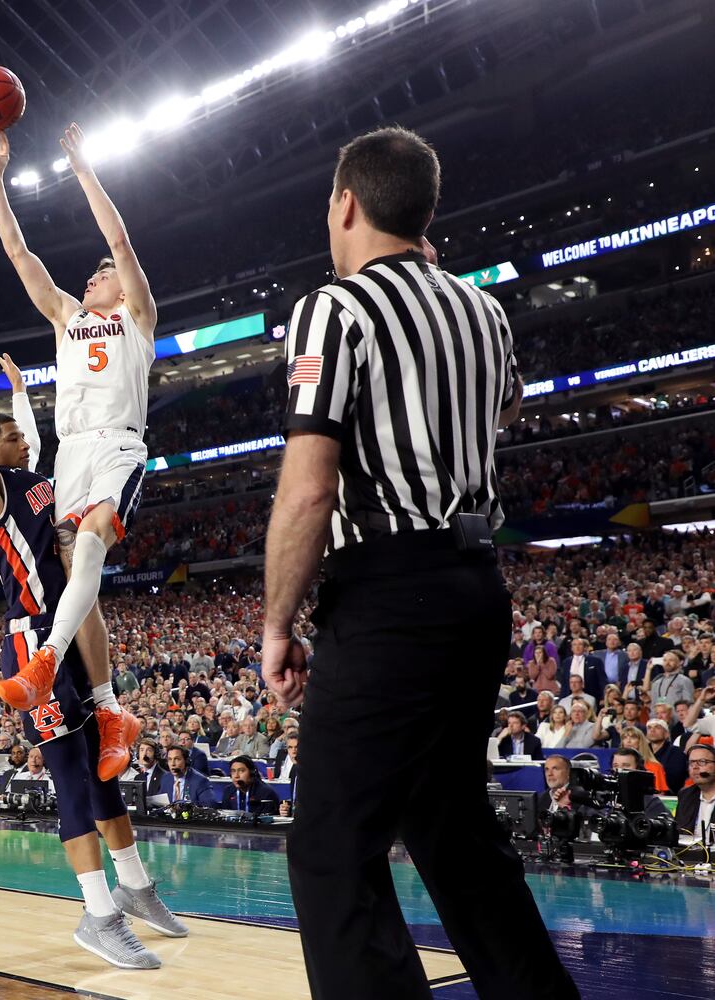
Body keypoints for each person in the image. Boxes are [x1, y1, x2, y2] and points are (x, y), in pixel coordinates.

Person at [259, 127, 577, 999]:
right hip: (477, 586)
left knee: (331, 845)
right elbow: (500, 410)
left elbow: (308, 491)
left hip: (390, 587)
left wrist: (277, 623)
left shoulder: (335, 307)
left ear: (348, 203)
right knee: (452, 830)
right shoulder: (482, 308)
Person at [0, 289, 178, 970]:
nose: (22, 441)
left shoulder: (45, 482)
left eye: (21, 435)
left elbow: (57, 445)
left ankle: (137, 888)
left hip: (72, 633)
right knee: (73, 781)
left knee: (105, 774)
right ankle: (97, 913)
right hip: (32, 639)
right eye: (12, 438)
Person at [0, 126, 149, 784]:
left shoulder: (136, 316)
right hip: (71, 456)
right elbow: (19, 252)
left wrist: (81, 167)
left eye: (102, 275)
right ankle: (111, 710)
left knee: (94, 544)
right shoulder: (66, 316)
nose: (95, 274)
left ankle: (47, 658)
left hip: (116, 444)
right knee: (78, 576)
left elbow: (119, 242)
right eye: (95, 275)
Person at [675, 744, 715, 839]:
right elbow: (679, 831)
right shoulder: (685, 795)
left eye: (702, 762)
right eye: (691, 762)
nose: (695, 767)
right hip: (689, 852)